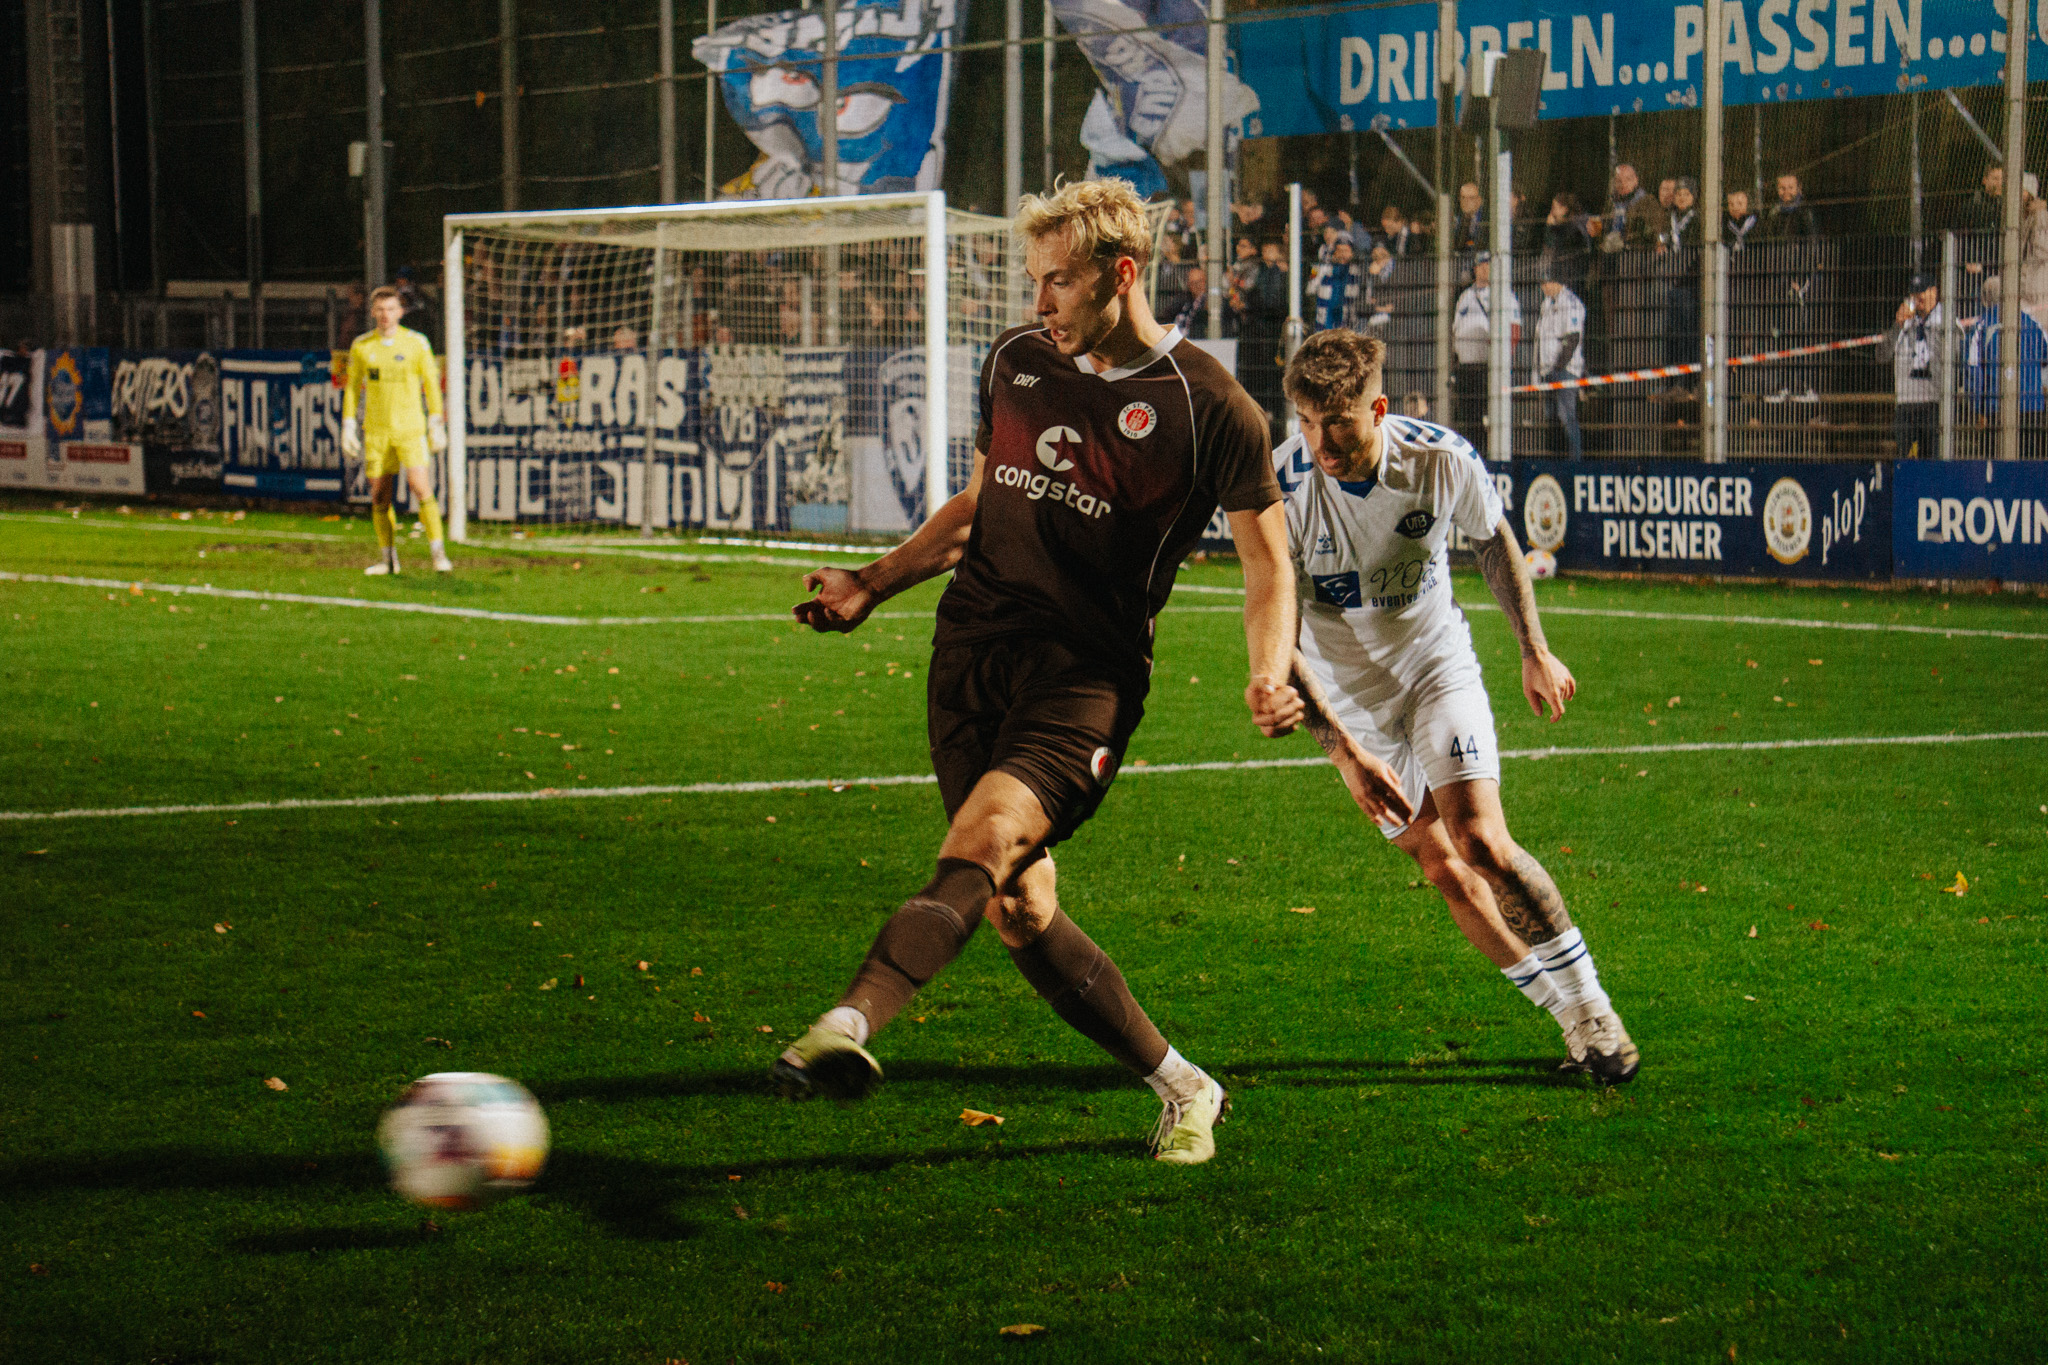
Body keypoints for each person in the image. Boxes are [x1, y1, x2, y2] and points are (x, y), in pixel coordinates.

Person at [776, 177, 1302, 1165]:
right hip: (970, 650)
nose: (1037, 303)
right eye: (1033, 281)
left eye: (1057, 283)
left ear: (1122, 274)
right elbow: (978, 502)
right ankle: (1185, 1086)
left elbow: (1268, 563)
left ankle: (845, 1026)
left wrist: (1267, 672)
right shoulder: (1016, 360)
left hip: (1085, 679)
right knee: (1017, 904)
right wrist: (869, 582)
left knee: (983, 841)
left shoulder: (1210, 407)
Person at [1272, 328, 1639, 1081]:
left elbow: (1494, 542)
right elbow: (1276, 635)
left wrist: (1534, 649)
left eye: (1337, 422)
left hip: (1438, 667)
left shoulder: (1441, 460)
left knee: (1479, 840)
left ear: (1377, 408)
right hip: (1349, 706)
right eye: (1307, 423)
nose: (1321, 442)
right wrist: (1342, 750)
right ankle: (1570, 1018)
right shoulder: (1280, 489)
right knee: (1440, 865)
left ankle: (1596, 1008)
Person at [342, 285, 451, 575]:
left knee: (419, 485)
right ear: (373, 312)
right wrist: (348, 424)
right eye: (380, 309)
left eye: (391, 309)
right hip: (377, 432)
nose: (385, 315)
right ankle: (388, 560)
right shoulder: (362, 346)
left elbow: (431, 382)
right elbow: (352, 388)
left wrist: (436, 421)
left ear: (400, 312)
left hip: (410, 429)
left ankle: (438, 554)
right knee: (379, 495)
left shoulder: (416, 343)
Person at [1760, 172, 1823, 403]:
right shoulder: (1773, 214)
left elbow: (1813, 248)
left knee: (1799, 333)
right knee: (1779, 334)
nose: (1786, 192)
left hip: (1798, 283)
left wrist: (1801, 278)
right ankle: (1781, 385)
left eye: (1790, 187)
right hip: (1777, 282)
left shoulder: (1805, 213)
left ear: (1799, 188)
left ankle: (1803, 386)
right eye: (1781, 187)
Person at [1449, 252, 1521, 454]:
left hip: (1488, 366)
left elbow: (1514, 328)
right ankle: (1473, 455)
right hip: (1465, 366)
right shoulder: (1465, 296)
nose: (1484, 269)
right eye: (1481, 265)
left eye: (1488, 265)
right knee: (1468, 417)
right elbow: (1456, 329)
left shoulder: (1504, 294)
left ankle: (1490, 456)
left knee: (1489, 416)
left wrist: (1506, 362)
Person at [1886, 274, 1944, 459]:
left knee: (1932, 462)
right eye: (1914, 294)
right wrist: (1897, 324)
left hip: (1932, 402)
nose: (1917, 298)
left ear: (1934, 292)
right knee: (1906, 461)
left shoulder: (1945, 321)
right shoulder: (1905, 323)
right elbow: (1881, 355)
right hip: (1906, 403)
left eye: (1922, 292)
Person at [1537, 268, 1587, 459]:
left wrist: (1558, 367)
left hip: (1565, 370)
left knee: (1566, 417)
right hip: (1548, 369)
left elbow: (1573, 337)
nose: (1543, 287)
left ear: (1556, 281)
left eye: (1545, 283)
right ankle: (1555, 460)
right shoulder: (1547, 304)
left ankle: (1574, 461)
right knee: (1552, 419)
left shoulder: (1570, 303)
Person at [1308, 237, 1364, 333]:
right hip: (1324, 317)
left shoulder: (1357, 270)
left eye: (1346, 251)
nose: (1342, 254)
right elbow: (1310, 288)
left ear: (1351, 253)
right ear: (1334, 252)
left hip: (1347, 318)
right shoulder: (1319, 267)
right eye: (1339, 250)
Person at [1450, 182, 1486, 254]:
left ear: (1479, 201)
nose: (1466, 202)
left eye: (1471, 198)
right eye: (1463, 198)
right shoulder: (1457, 221)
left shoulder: (1485, 220)